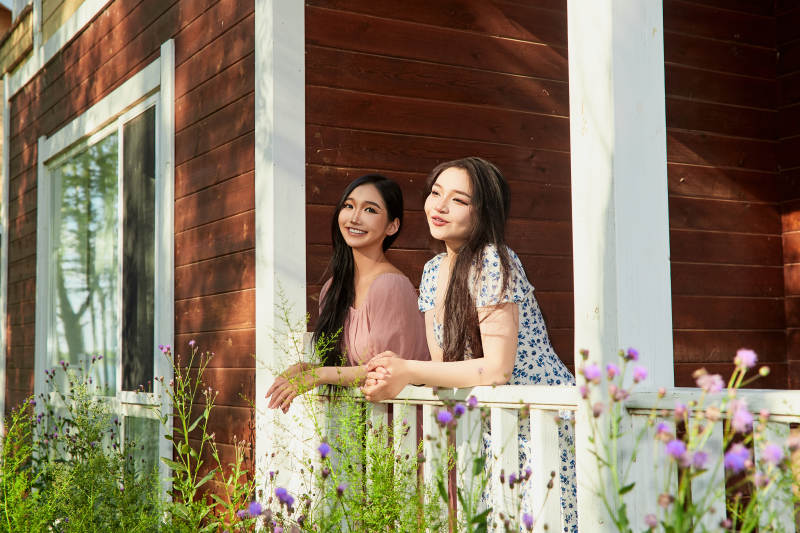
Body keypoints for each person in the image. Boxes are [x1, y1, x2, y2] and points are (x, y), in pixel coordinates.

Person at [361, 157, 577, 532]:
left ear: (484, 212)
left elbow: (497, 368)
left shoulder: (494, 259)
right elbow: (443, 367)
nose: (439, 206)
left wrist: (409, 369)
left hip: (542, 427)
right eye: (435, 193)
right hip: (494, 430)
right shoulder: (432, 271)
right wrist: (395, 369)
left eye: (458, 200)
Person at [266, 174, 430, 413]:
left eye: (370, 210)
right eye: (349, 206)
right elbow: (352, 368)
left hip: (401, 428)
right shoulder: (332, 289)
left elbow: (387, 371)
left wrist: (319, 374)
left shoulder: (390, 286)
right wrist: (306, 368)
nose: (354, 217)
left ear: (392, 226)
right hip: (358, 427)